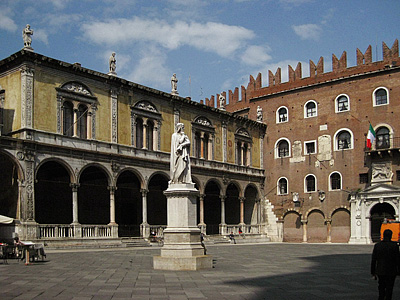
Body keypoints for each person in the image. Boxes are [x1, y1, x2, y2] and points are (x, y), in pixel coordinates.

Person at [371, 229, 400, 300]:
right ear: (391, 236)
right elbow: (398, 259)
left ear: (383, 235)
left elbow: (374, 259)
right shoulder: (394, 246)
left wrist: (373, 272)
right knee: (390, 288)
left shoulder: (378, 245)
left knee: (381, 286)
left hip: (380, 270)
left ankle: (381, 297)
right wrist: (399, 271)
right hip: (391, 271)